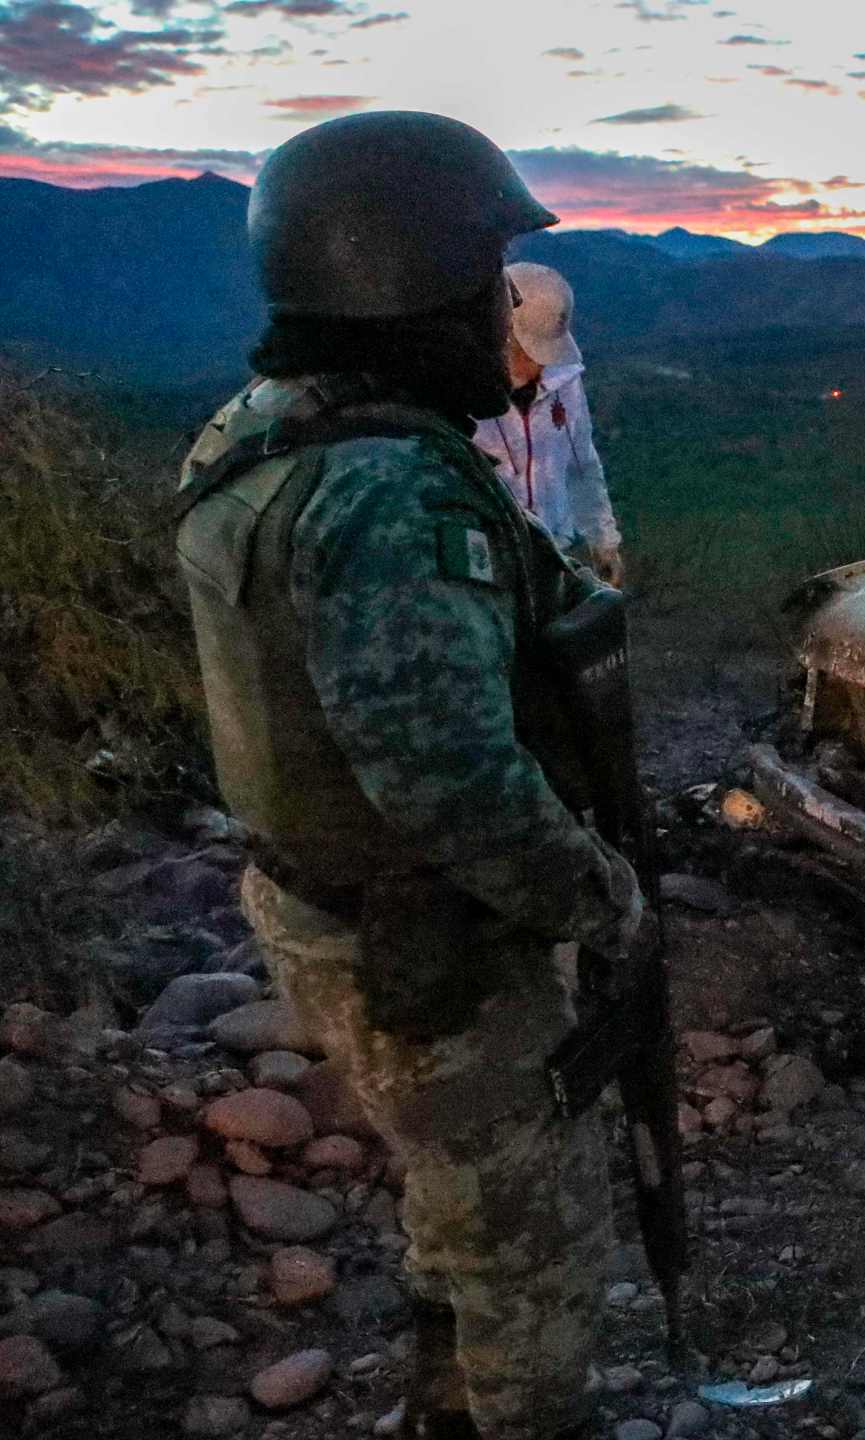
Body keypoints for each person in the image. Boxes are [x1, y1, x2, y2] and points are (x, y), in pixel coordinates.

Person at [172, 112, 645, 1440]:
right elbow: (453, 789)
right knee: (531, 1253)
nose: (503, 310)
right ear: (407, 282)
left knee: (460, 1197)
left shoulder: (267, 430)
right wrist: (604, 899)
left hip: (333, 909)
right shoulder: (388, 496)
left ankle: (444, 1410)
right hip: (419, 936)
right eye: (486, 279)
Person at [475, 261, 624, 586]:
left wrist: (604, 541)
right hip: (489, 555)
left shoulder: (565, 380)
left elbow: (582, 463)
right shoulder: (463, 392)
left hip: (554, 551)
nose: (541, 363)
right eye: (531, 353)